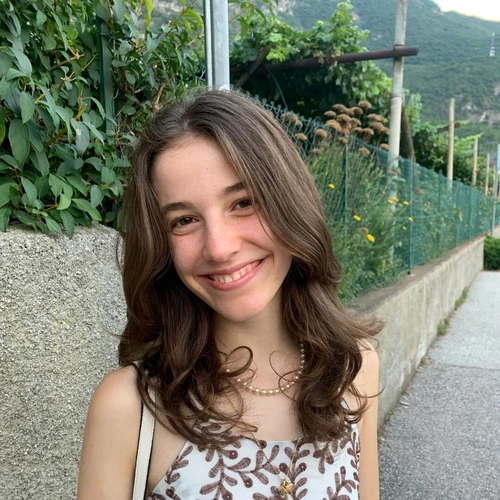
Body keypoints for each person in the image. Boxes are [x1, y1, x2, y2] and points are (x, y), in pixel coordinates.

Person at [77, 89, 382, 500]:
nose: (219, 248)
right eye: (184, 220)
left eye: (243, 202)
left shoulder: (354, 367)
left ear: (290, 203)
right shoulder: (129, 407)